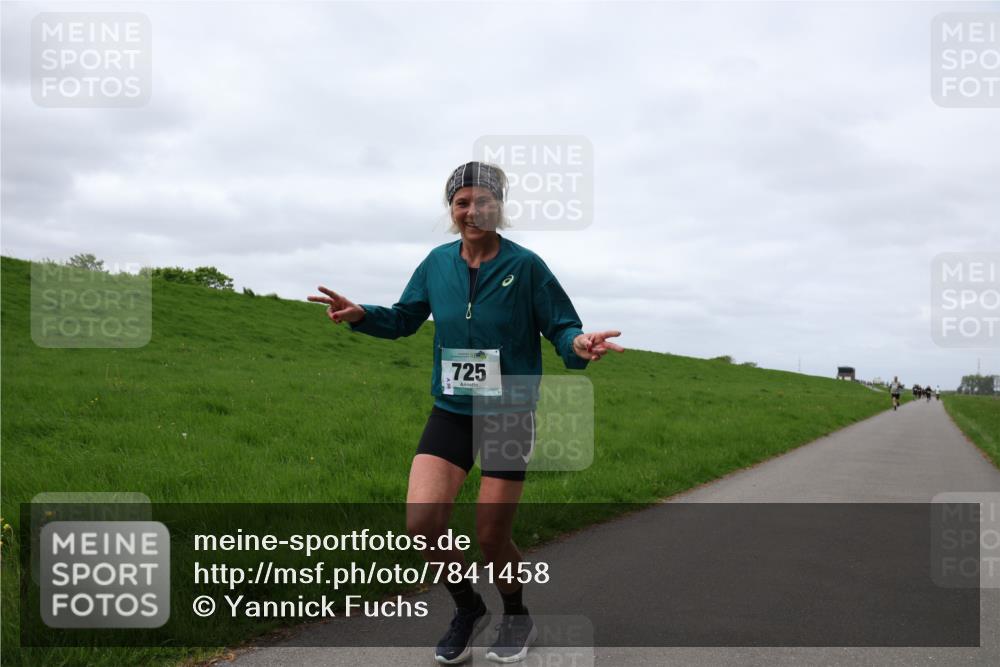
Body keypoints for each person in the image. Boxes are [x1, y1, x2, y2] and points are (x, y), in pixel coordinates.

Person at [308, 161, 624, 664]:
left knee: (491, 533)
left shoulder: (526, 267)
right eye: (462, 202)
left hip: (510, 412)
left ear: (499, 207)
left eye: (483, 201)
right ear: (451, 210)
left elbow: (562, 326)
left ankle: (517, 613)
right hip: (452, 409)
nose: (472, 210)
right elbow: (406, 317)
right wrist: (363, 315)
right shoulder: (437, 264)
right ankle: (467, 607)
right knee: (423, 521)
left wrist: (579, 345)